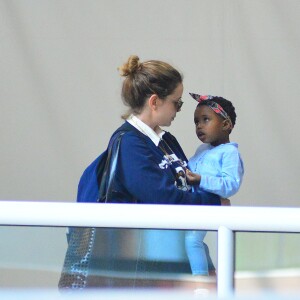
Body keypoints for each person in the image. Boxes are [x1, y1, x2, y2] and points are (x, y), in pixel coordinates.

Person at [100, 56, 221, 206]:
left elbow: (188, 188)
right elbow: (164, 199)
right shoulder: (129, 144)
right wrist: (215, 203)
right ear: (154, 102)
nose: (179, 109)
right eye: (177, 102)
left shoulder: (167, 140)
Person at [185, 93, 244, 276]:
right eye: (196, 122)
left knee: (192, 239)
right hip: (199, 204)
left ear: (226, 125)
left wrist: (201, 179)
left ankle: (200, 283)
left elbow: (231, 185)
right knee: (196, 241)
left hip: (214, 205)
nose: (199, 126)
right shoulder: (203, 149)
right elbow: (190, 167)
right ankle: (210, 272)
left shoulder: (229, 153)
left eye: (206, 120)